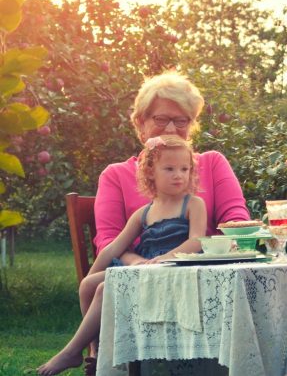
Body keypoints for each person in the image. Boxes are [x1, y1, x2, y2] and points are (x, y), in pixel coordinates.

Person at [37, 135, 206, 376]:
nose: (178, 175)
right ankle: (95, 353)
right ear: (150, 172)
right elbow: (115, 247)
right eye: (169, 169)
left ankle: (72, 351)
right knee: (89, 285)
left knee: (105, 289)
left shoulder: (193, 204)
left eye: (184, 169)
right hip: (145, 270)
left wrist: (167, 257)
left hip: (174, 270)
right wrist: (94, 272)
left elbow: (197, 240)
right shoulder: (144, 212)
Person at [94, 71, 250, 264]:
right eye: (160, 119)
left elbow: (236, 222)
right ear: (141, 123)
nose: (170, 129)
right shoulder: (115, 175)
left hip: (205, 271)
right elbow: (109, 241)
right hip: (140, 280)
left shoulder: (213, 163)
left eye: (180, 121)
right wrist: (138, 264)